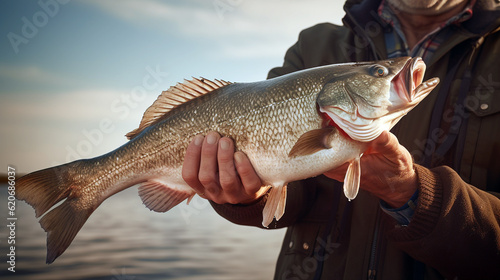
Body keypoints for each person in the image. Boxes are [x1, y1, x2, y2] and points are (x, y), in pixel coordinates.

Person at [181, 0, 500, 279]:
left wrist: (410, 191)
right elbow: (288, 191)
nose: (387, 75)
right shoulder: (313, 44)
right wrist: (250, 195)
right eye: (378, 73)